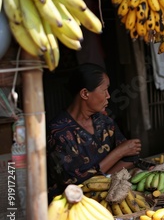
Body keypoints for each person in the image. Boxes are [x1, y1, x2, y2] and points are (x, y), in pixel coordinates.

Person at [47, 63, 142, 200]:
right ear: (85, 93)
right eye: (104, 90)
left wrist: (103, 179)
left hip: (108, 195)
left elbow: (132, 157)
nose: (108, 96)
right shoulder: (58, 132)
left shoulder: (104, 122)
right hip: (73, 206)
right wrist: (118, 152)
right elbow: (74, 183)